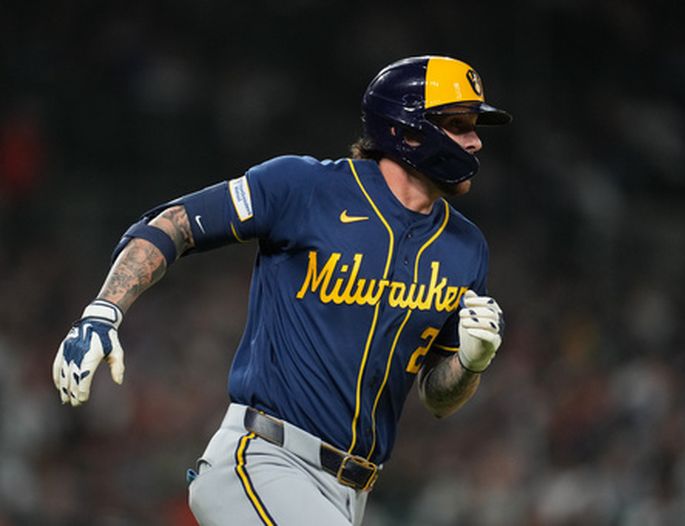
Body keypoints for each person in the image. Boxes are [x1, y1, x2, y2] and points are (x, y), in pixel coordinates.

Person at [53, 55, 511, 525]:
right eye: (458, 124)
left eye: (474, 126)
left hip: (351, 493)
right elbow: (176, 223)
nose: (475, 141)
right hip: (265, 462)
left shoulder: (465, 248)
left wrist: (469, 363)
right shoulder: (306, 187)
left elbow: (437, 398)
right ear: (407, 131)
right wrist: (103, 311)